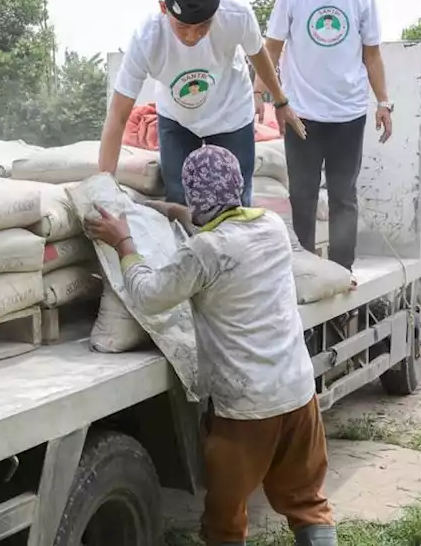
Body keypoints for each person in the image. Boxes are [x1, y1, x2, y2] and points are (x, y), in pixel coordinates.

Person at [85, 145, 336, 546]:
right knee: (307, 503)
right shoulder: (271, 226)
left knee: (225, 521)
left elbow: (150, 295)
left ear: (193, 196)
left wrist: (124, 243)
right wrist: (176, 213)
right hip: (298, 393)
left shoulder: (206, 250)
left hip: (247, 410)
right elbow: (221, 223)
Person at [99, 0, 305, 206]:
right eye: (182, 27)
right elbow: (118, 115)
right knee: (179, 198)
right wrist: (104, 188)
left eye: (202, 27)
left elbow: (259, 55)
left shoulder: (236, 16)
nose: (192, 37)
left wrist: (281, 102)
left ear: (215, 14)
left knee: (235, 202)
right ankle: (189, 246)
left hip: (231, 114)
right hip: (177, 120)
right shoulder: (147, 39)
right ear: (164, 9)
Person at [264, 0, 391, 280]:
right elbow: (271, 49)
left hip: (348, 114)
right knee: (301, 196)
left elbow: (372, 54)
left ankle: (341, 270)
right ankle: (303, 269)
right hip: (300, 113)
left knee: (343, 197)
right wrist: (261, 92)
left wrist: (383, 102)